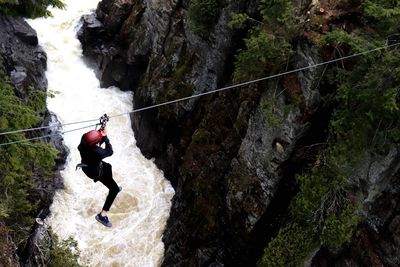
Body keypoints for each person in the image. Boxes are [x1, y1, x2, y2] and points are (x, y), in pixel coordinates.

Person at [77, 127, 121, 227]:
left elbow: (89, 137)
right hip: (95, 172)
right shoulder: (97, 152)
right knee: (114, 190)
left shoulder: (83, 140)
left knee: (108, 166)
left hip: (87, 165)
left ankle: (112, 185)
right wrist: (105, 137)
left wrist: (99, 132)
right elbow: (110, 151)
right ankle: (102, 215)